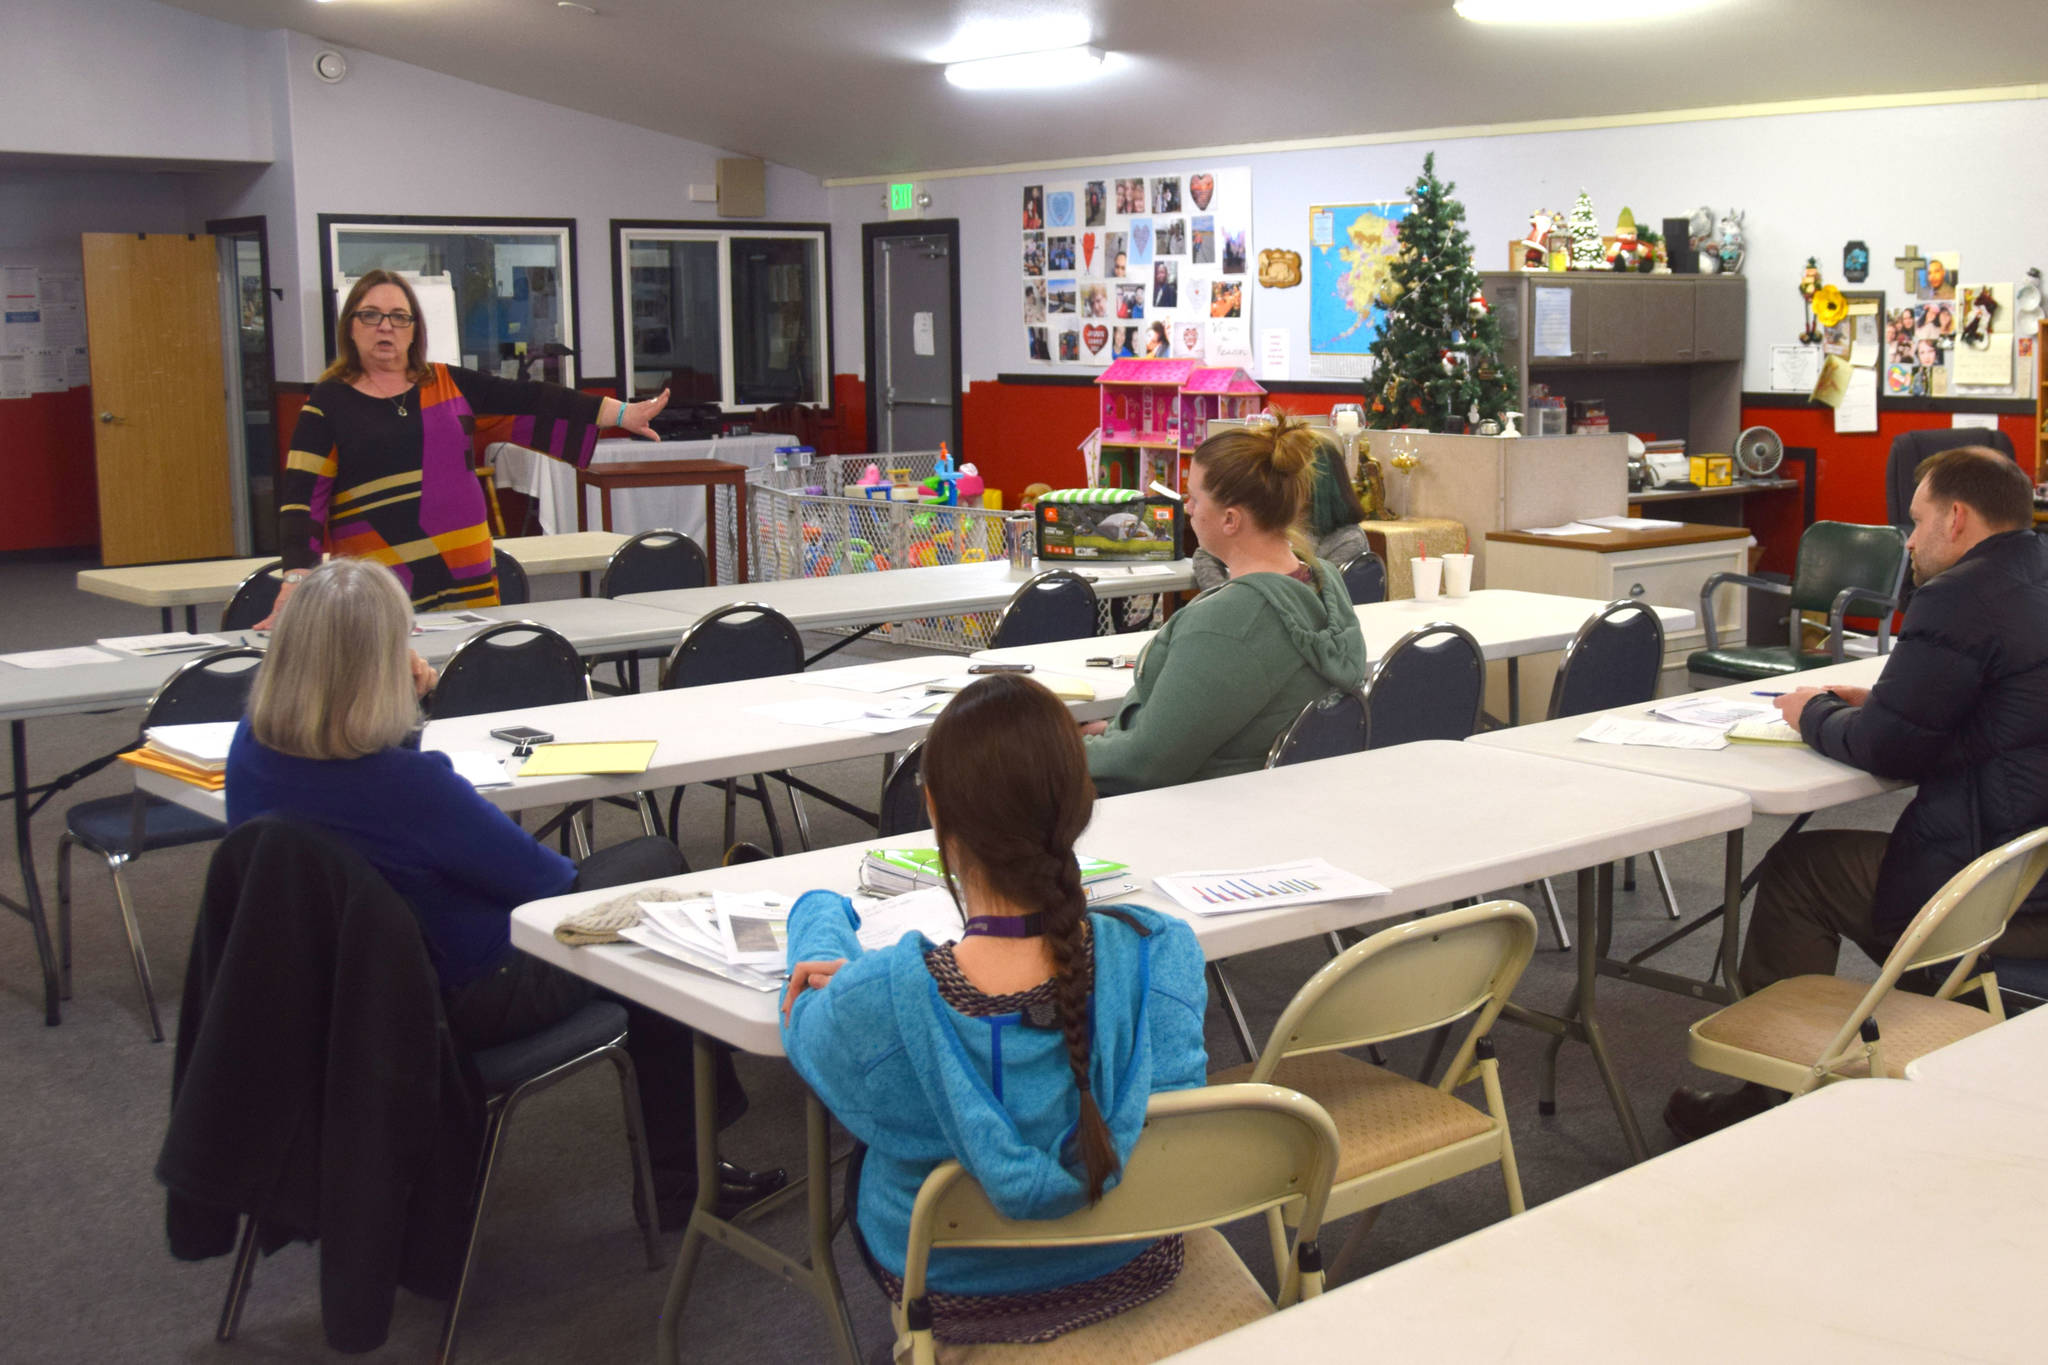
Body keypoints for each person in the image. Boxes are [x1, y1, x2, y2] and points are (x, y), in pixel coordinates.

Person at [224, 558, 783, 1222]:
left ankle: (689, 1159)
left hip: (337, 994)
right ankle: (684, 1173)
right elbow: (551, 883)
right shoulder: (409, 786)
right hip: (465, 989)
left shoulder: (250, 751)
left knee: (645, 906)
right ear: (375, 667)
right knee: (655, 882)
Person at [778, 675, 1208, 1346]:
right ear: (1080, 800)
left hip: (952, 1292)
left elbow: (804, 1018)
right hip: (1137, 1259)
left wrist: (820, 917)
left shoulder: (879, 998)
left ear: (933, 809)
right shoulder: (1164, 952)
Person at [1665, 447, 2048, 1141]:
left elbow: (1886, 747)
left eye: (1917, 519)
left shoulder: (1958, 594)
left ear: (1957, 519)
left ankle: (1771, 1090)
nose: (1908, 540)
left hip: (1983, 890)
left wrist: (1809, 711)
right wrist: (1879, 698)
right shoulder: (2035, 574)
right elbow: (1996, 703)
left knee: (1798, 871)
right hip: (2031, 863)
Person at [268, 270, 671, 621]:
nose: (385, 327)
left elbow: (531, 398)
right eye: (370, 316)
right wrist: (296, 579)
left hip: (466, 574)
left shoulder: (448, 384)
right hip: (376, 587)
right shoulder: (327, 403)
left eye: (399, 317)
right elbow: (302, 500)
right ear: (350, 327)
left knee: (467, 687)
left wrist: (621, 414)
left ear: (414, 329)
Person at [1083, 414, 1368, 795]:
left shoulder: (1229, 623)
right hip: (1279, 801)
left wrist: (1064, 753)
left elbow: (1146, 763)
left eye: (1194, 498)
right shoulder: (1324, 581)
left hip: (1198, 810)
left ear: (1230, 519)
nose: (1187, 507)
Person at [1192, 425, 1368, 590]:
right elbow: (1205, 554)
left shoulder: (1347, 540)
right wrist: (1227, 598)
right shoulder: (1274, 526)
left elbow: (1308, 603)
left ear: (1315, 485)